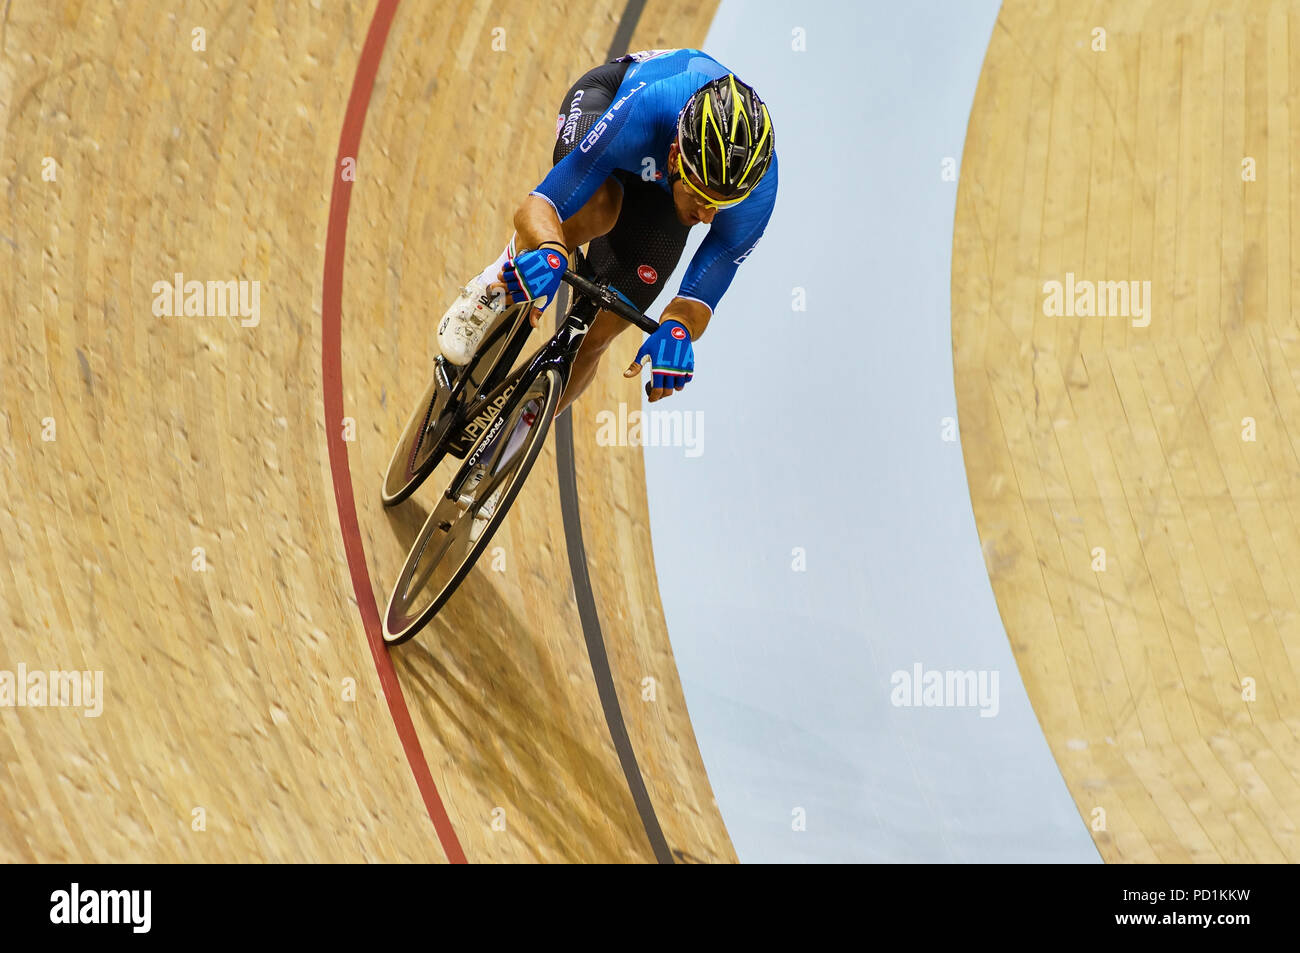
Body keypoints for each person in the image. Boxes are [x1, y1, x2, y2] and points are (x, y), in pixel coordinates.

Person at [436, 48, 778, 412]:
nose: (707, 217)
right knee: (599, 209)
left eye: (719, 206)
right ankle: (488, 290)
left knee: (599, 333)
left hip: (662, 189)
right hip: (608, 108)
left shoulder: (757, 193)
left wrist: (680, 330)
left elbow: (702, 294)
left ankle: (512, 446)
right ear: (677, 156)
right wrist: (552, 250)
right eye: (700, 197)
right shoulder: (646, 109)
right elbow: (541, 204)